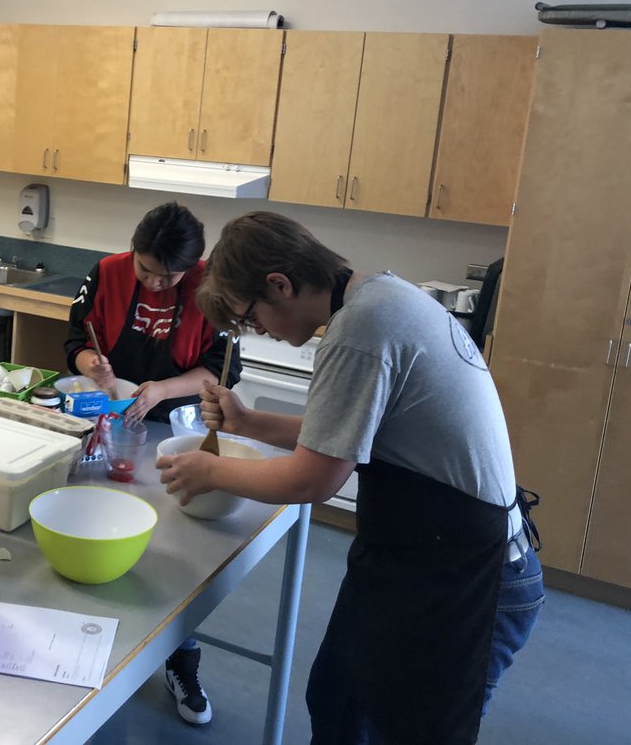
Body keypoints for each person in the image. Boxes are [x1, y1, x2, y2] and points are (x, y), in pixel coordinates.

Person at [157, 211, 544, 744]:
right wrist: (247, 423)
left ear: (280, 284)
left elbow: (310, 482)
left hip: (470, 576)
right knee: (340, 700)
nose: (260, 331)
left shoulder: (362, 328)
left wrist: (210, 470)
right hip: (420, 559)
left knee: (398, 726)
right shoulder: (378, 297)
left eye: (253, 317)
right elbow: (341, 432)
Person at [64, 201, 241, 726]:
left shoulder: (214, 288)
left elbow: (221, 369)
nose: (156, 283)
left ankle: (180, 659)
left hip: (174, 432)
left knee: (170, 550)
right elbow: (75, 339)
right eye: (146, 270)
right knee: (100, 526)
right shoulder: (107, 272)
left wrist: (162, 388)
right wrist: (90, 364)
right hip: (110, 419)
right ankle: (94, 649)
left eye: (170, 277)